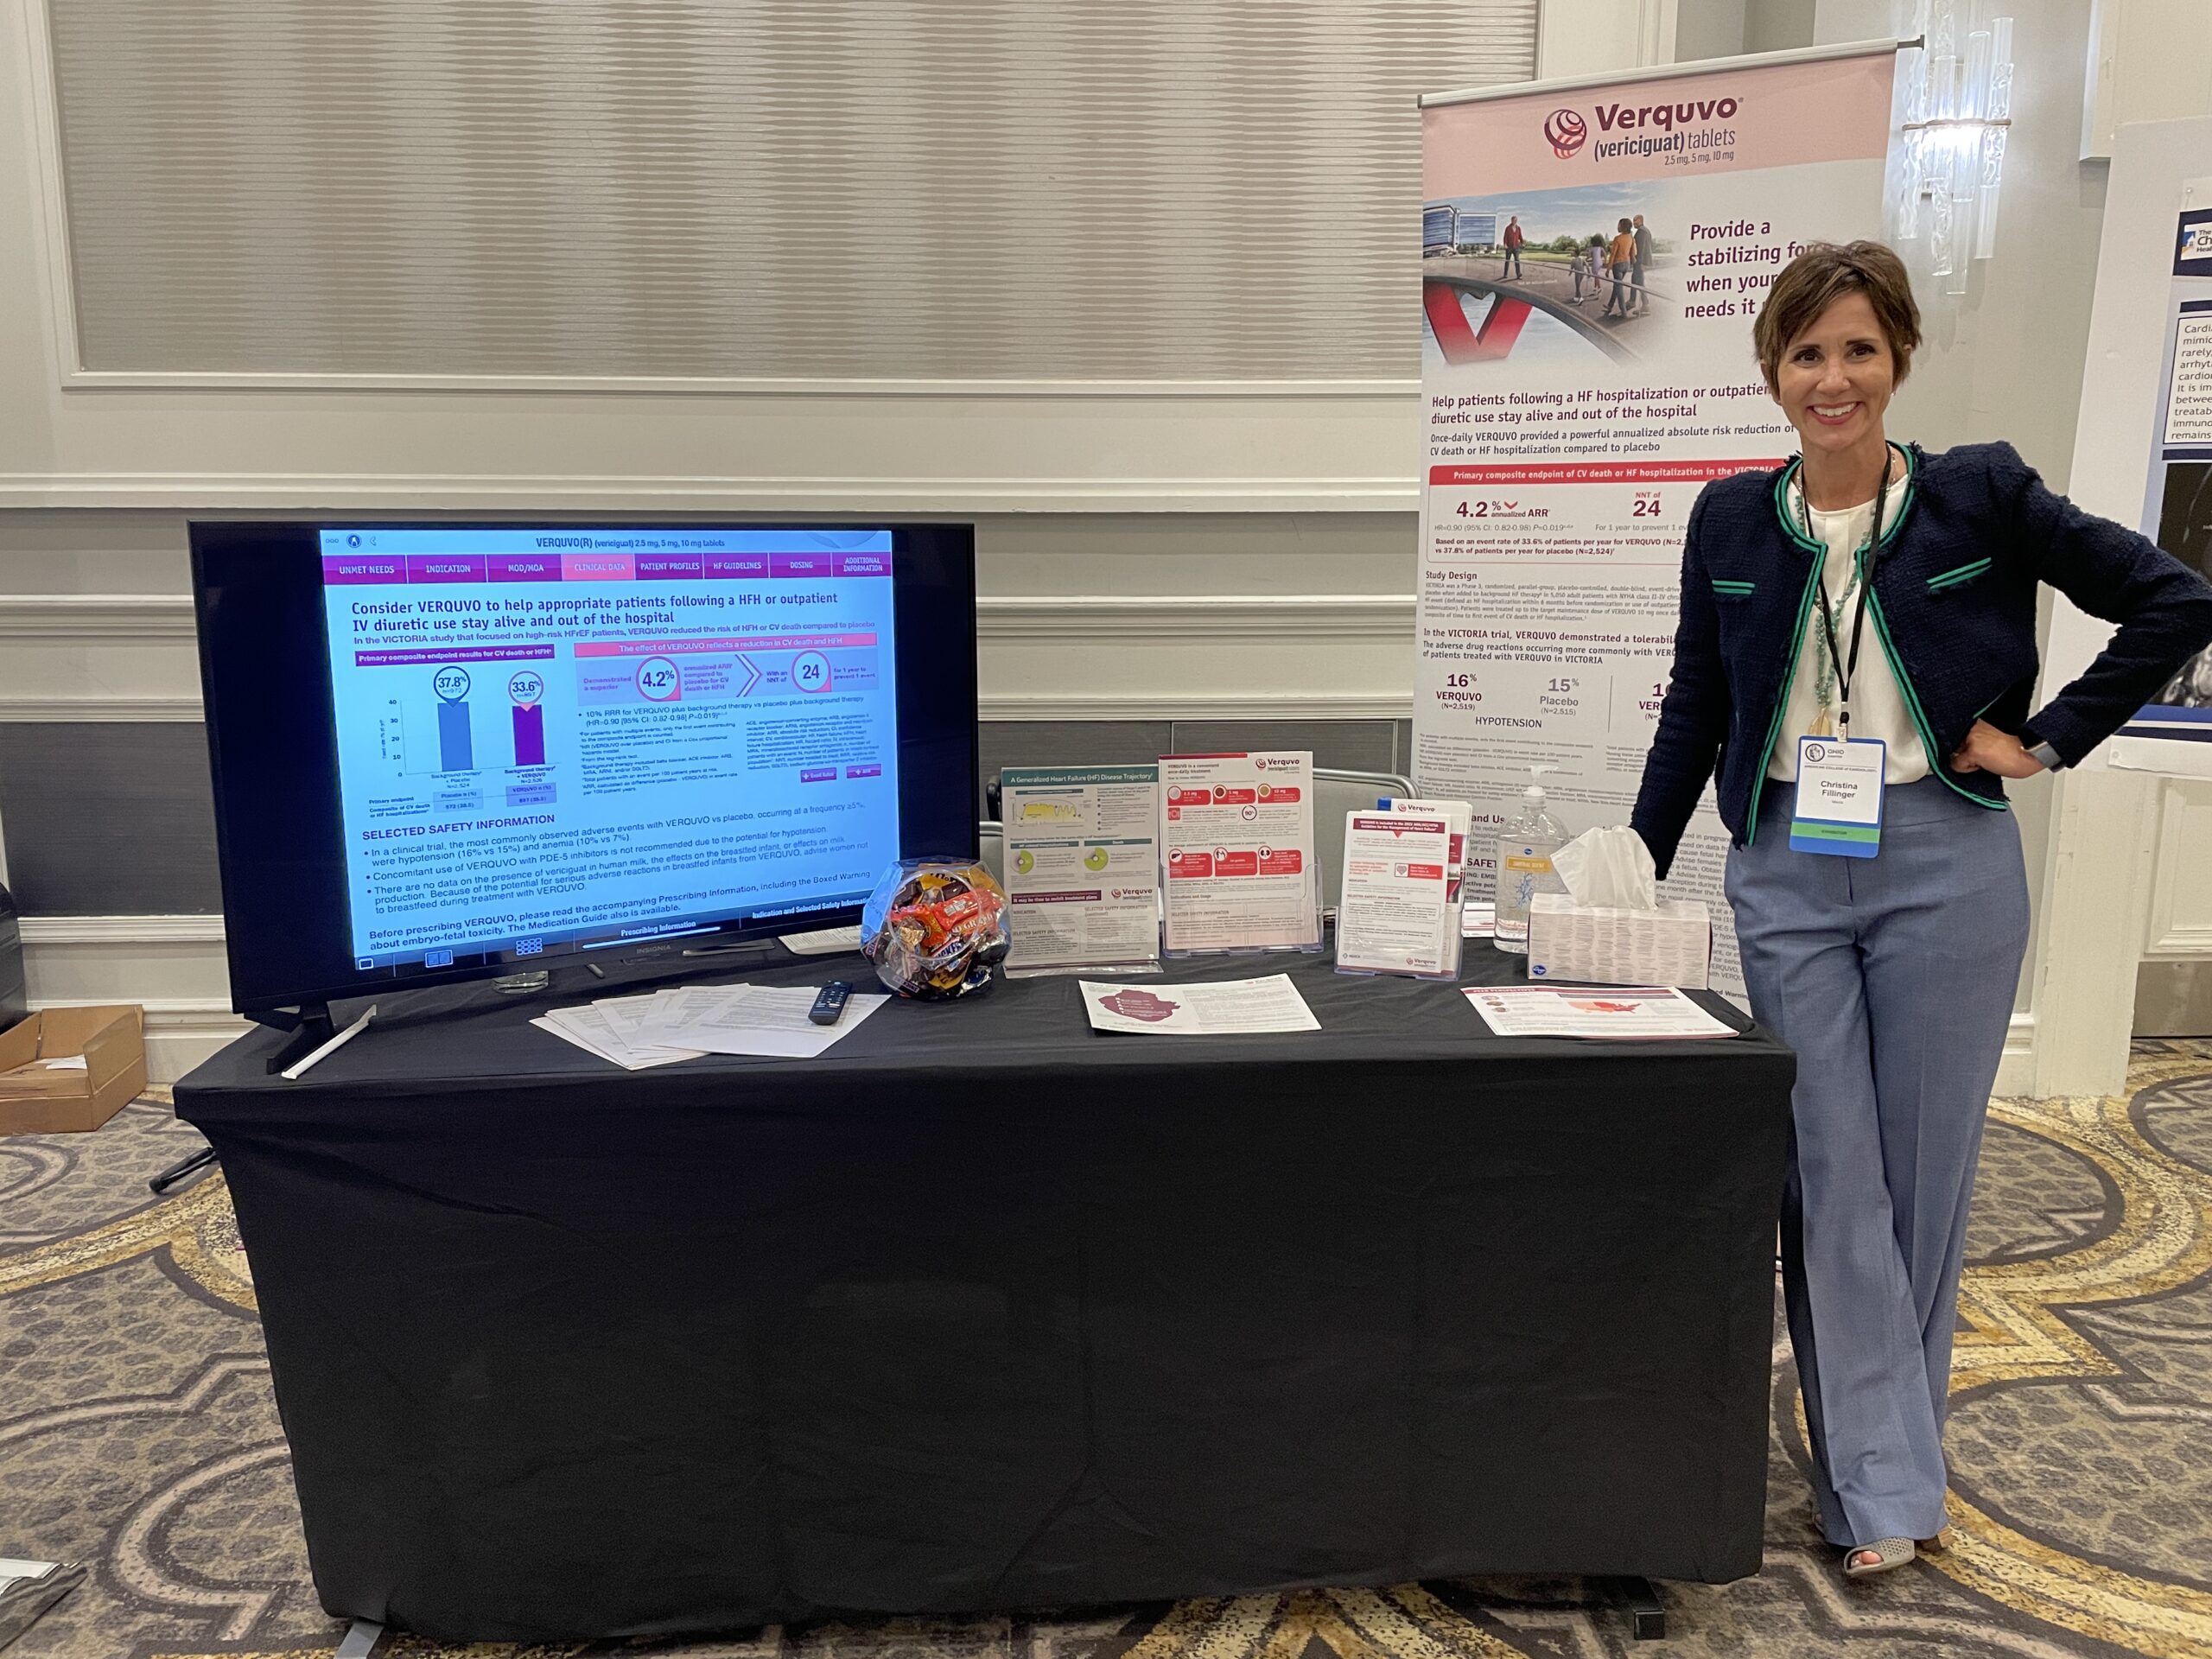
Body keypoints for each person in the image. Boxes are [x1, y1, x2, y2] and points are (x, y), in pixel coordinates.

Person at [1629, 240, 2212, 1582]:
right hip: (1786, 865)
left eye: (1858, 350)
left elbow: (2174, 596)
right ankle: (1887, 1483)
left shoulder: (1976, 495)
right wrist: (1633, 857)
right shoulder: (1730, 520)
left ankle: (1876, 1480)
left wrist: (2047, 738)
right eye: (1806, 353)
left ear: (1898, 359)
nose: (1831, 379)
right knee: (1826, 1168)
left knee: (1917, 1186)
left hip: (1947, 864)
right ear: (1773, 369)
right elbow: (1697, 699)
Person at [1604, 219, 1636, 318]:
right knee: (1617, 286)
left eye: (1619, 225)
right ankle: (1610, 306)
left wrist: (1608, 268)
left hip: (1618, 265)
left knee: (1619, 287)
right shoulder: (1631, 238)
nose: (1618, 227)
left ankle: (1624, 312)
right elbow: (1634, 253)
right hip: (1627, 264)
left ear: (1623, 227)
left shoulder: (1617, 239)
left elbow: (1613, 254)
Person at [1631, 213, 1655, 315]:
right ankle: (1632, 301)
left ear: (1641, 220)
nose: (1633, 223)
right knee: (1635, 280)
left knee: (1640, 282)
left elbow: (1640, 249)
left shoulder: (1641, 232)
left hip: (1640, 261)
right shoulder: (1646, 231)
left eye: (1635, 221)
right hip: (1642, 261)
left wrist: (1639, 262)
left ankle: (1645, 305)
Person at [1569, 236, 1595, 302]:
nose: (1572, 253)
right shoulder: (1582, 258)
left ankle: (1580, 298)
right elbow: (1587, 265)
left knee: (1577, 286)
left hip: (1577, 274)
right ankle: (1576, 296)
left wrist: (1570, 273)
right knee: (1578, 285)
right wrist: (1589, 273)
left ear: (1575, 253)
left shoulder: (1573, 260)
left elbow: (1572, 268)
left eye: (1573, 252)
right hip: (1582, 273)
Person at [1502, 215, 1524, 281]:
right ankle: (1505, 274)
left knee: (1517, 260)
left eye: (1515, 220)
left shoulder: (1518, 228)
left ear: (1517, 221)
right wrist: (1505, 244)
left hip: (1516, 247)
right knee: (1507, 261)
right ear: (1511, 220)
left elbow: (1520, 236)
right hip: (1509, 247)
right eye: (1513, 220)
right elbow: (1505, 237)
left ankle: (1518, 274)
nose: (1514, 221)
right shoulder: (1508, 228)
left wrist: (1522, 243)